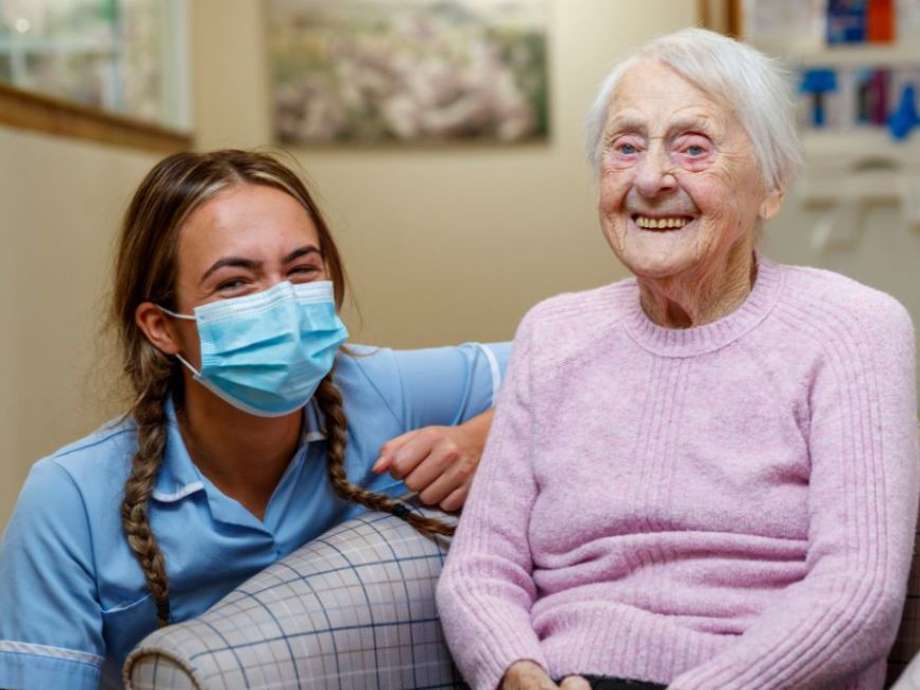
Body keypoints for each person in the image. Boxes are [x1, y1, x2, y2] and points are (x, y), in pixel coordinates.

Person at [437, 28, 919, 690]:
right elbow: (480, 568)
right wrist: (518, 675)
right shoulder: (553, 333)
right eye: (625, 147)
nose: (651, 179)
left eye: (693, 149)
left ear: (772, 187)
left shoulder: (852, 328)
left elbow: (857, 597)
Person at [0, 150, 509, 690]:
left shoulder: (382, 391)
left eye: (301, 269)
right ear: (161, 327)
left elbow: (585, 358)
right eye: (235, 283)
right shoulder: (70, 500)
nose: (282, 303)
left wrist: (478, 438)